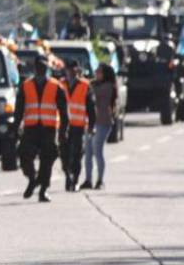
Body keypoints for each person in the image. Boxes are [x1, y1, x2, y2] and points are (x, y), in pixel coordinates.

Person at [13, 55, 68, 202]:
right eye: (39, 67)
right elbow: (18, 110)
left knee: (48, 159)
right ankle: (32, 178)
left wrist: (63, 131)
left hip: (48, 129)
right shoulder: (25, 85)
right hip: (31, 128)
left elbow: (64, 111)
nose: (41, 70)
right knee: (24, 155)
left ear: (47, 68)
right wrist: (15, 128)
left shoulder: (56, 86)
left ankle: (43, 190)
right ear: (35, 68)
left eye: (44, 67)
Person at [81, 62, 117, 190]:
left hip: (103, 122)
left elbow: (95, 93)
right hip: (91, 122)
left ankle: (100, 180)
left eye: (99, 71)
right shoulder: (94, 84)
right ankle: (88, 180)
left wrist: (86, 83)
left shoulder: (108, 86)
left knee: (97, 150)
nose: (96, 73)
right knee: (88, 152)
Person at [61, 60, 95, 192]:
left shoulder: (85, 86)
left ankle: (74, 178)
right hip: (63, 125)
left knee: (76, 154)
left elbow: (91, 108)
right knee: (64, 153)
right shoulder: (61, 85)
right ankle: (67, 176)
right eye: (69, 70)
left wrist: (91, 125)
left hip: (78, 126)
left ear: (77, 71)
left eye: (74, 71)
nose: (71, 73)